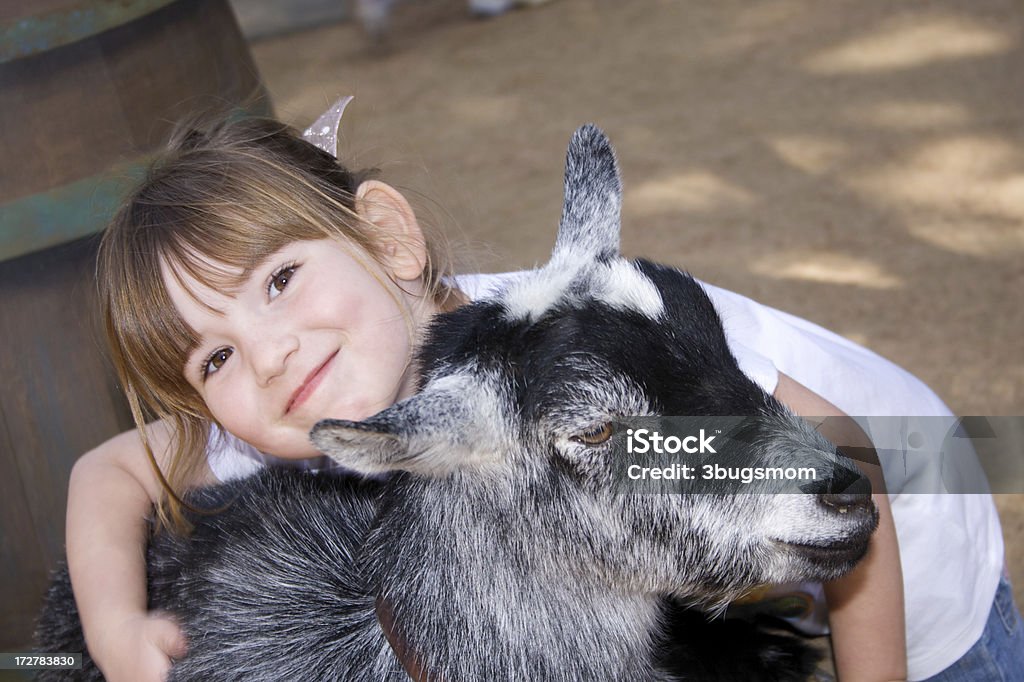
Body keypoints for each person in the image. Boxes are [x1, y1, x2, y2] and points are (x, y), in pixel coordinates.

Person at [65, 107, 1018, 682]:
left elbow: (860, 462)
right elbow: (106, 473)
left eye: (278, 281)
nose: (266, 356)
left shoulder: (600, 368)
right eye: (212, 361)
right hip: (721, 567)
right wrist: (113, 630)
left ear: (390, 239)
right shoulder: (313, 424)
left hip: (901, 558)